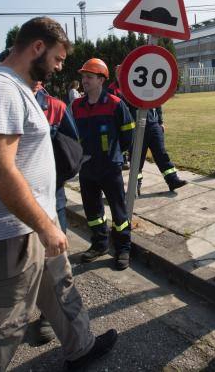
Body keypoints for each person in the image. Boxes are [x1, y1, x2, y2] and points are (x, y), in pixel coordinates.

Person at [0, 17, 116, 371]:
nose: (60, 67)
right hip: (13, 230)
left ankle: (81, 348)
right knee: (8, 318)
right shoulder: (1, 89)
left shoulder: (20, 88)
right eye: (58, 58)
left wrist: (47, 223)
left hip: (35, 221)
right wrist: (46, 227)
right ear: (37, 48)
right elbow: (1, 171)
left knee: (61, 289)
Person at [71, 58, 135, 270]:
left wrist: (116, 153)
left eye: (89, 77)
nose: (84, 80)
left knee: (119, 211)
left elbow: (128, 133)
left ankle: (123, 248)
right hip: (86, 168)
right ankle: (99, 244)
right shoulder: (76, 106)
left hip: (110, 167)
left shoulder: (115, 104)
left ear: (101, 80)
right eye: (83, 76)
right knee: (93, 211)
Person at [109, 64, 187, 196]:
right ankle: (135, 186)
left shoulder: (142, 84)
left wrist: (160, 121)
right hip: (136, 128)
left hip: (153, 124)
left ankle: (172, 180)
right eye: (118, 72)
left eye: (123, 72)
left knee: (161, 153)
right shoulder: (117, 90)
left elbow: (157, 102)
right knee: (137, 159)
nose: (121, 74)